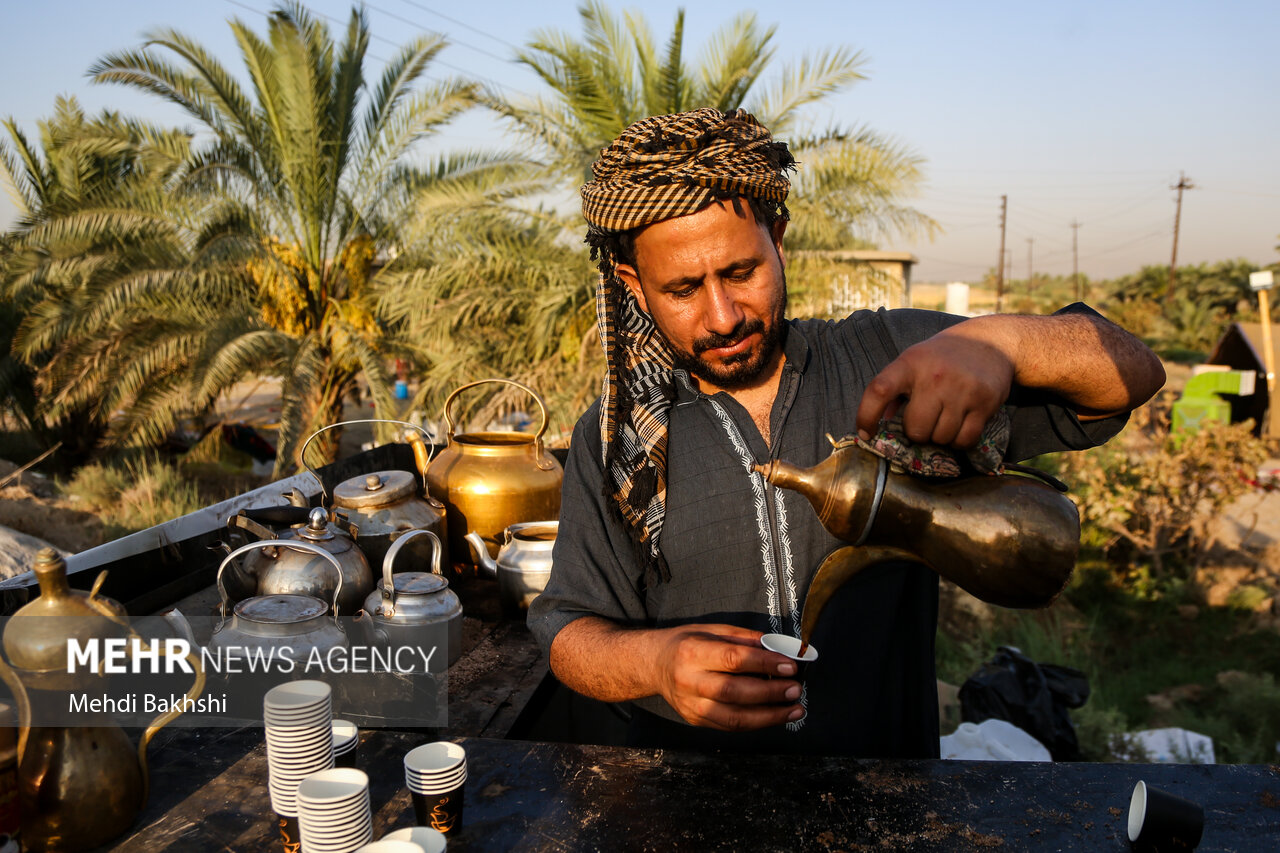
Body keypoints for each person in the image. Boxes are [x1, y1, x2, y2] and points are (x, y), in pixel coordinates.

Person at [527, 108, 1165, 757]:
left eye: (741, 272)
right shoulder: (619, 436)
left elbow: (1132, 373)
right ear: (634, 284)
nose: (722, 316)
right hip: (690, 802)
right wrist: (655, 664)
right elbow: (565, 627)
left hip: (889, 794)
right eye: (684, 289)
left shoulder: (888, 359)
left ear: (778, 236)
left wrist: (1001, 342)